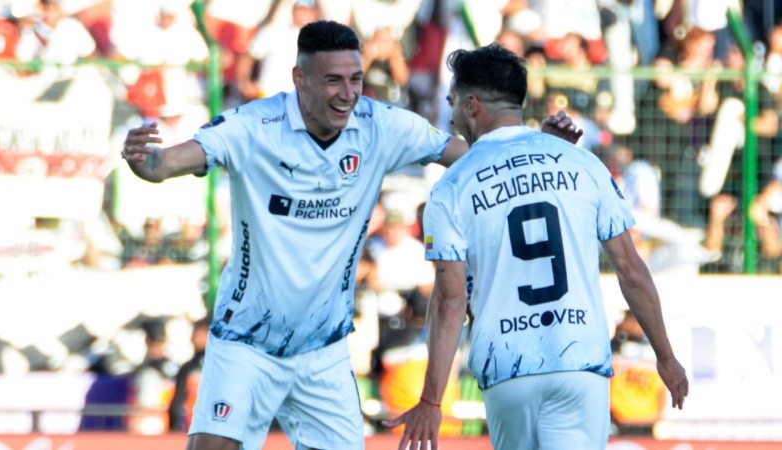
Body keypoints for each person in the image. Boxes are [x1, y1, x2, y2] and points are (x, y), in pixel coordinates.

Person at [120, 20, 582, 450]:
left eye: (356, 79)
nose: (348, 94)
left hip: (323, 351)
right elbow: (172, 161)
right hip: (246, 344)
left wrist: (537, 149)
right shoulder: (253, 127)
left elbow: (472, 156)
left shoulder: (380, 126)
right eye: (333, 81)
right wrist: (148, 163)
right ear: (299, 79)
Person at [383, 43, 688, 450]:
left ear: (473, 105)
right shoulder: (581, 163)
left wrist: (432, 399)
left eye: (453, 102)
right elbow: (631, 270)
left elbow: (450, 302)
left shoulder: (450, 189)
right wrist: (665, 357)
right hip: (580, 361)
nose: (451, 115)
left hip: (509, 368)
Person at [169, 317, 211, 432]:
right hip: (191, 425)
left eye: (201, 334)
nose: (196, 338)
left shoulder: (221, 365)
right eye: (195, 334)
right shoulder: (188, 367)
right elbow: (178, 399)